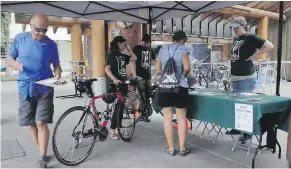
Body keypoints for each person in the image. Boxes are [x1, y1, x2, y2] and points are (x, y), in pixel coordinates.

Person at [7, 13, 62, 168]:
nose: (42, 33)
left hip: (45, 86)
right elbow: (9, 59)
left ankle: (43, 156)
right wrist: (18, 66)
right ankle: (41, 152)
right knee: (31, 123)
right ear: (31, 25)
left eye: (45, 30)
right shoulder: (20, 38)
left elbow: (56, 64)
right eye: (39, 30)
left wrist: (58, 71)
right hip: (25, 87)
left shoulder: (51, 44)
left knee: (41, 122)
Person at [226, 16, 274, 141]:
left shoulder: (251, 37)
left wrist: (254, 55)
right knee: (236, 104)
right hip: (235, 76)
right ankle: (238, 127)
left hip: (246, 76)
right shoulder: (236, 39)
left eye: (237, 27)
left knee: (246, 105)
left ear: (243, 25)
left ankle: (247, 132)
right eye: (233, 27)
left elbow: (270, 46)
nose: (234, 29)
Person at [155, 30, 191, 156]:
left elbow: (158, 69)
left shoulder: (162, 50)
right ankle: (182, 149)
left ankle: (170, 148)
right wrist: (183, 76)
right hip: (180, 87)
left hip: (164, 87)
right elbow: (187, 68)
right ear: (183, 39)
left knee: (167, 119)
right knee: (181, 119)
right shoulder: (183, 49)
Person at [105, 36, 137, 140]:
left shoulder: (123, 56)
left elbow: (134, 58)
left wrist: (128, 48)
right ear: (119, 43)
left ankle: (117, 129)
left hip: (124, 84)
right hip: (116, 85)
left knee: (121, 108)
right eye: (124, 43)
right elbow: (107, 68)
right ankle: (112, 130)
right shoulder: (111, 55)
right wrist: (114, 79)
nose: (125, 45)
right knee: (117, 108)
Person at [132, 34, 156, 122]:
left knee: (148, 94)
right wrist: (134, 75)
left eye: (147, 42)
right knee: (141, 95)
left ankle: (145, 112)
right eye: (145, 42)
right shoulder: (137, 48)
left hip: (148, 76)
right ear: (141, 41)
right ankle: (142, 113)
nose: (146, 44)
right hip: (140, 76)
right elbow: (132, 60)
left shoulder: (150, 49)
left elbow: (155, 59)